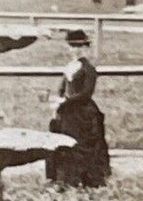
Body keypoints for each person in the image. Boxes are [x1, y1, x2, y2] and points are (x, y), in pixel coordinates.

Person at [46, 27, 111, 187]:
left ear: (86, 47)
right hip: (67, 113)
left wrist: (65, 102)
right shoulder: (69, 67)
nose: (76, 50)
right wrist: (57, 101)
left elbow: (86, 94)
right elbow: (62, 88)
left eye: (80, 46)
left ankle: (86, 180)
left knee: (82, 145)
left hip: (83, 112)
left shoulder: (89, 69)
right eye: (73, 46)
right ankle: (63, 179)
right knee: (62, 143)